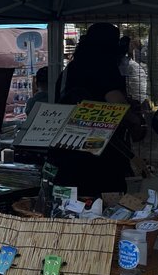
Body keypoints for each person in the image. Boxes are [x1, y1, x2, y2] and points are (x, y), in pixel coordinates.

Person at [48, 22, 133, 196]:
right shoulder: (105, 68)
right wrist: (136, 120)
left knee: (71, 204)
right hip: (99, 155)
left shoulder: (69, 70)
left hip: (66, 149)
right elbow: (117, 103)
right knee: (104, 205)